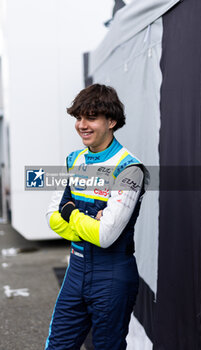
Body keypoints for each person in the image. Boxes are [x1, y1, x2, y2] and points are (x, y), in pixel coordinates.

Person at [45, 84, 145, 350]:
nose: (82, 125)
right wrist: (86, 222)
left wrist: (70, 212)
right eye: (79, 117)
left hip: (112, 273)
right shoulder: (73, 159)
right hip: (76, 269)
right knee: (57, 345)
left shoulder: (129, 168)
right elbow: (51, 216)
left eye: (91, 117)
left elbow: (105, 236)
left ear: (111, 121)